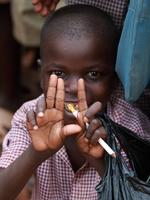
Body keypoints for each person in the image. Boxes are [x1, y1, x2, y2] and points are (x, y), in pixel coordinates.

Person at [0, 4, 150, 200]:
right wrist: (36, 154)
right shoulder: (31, 117)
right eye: (59, 73)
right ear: (40, 73)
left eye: (93, 74)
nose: (73, 87)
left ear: (114, 79)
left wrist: (101, 162)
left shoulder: (130, 127)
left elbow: (137, 195)